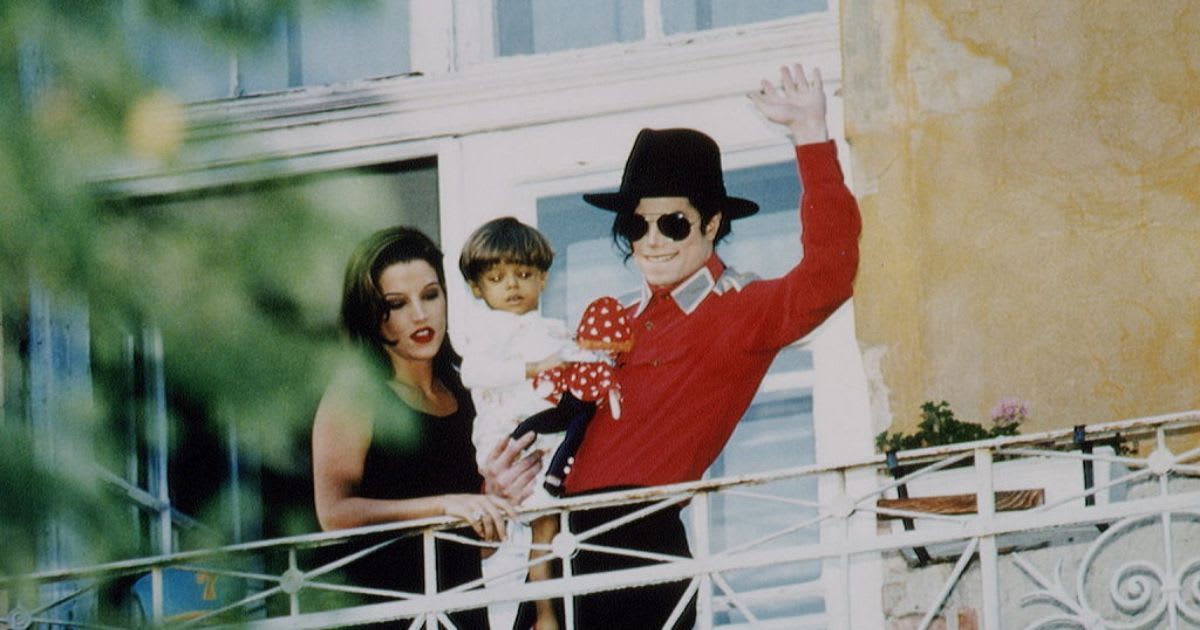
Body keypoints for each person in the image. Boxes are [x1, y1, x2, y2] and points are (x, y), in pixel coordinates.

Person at [484, 63, 862, 628]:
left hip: (637, 541)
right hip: (556, 552)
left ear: (711, 224)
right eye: (638, 226)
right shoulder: (617, 319)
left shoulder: (739, 309)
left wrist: (811, 136)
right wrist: (502, 477)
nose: (653, 241)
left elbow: (831, 274)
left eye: (674, 224)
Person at [311, 226, 520, 628]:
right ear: (370, 314)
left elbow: (476, 546)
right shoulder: (357, 391)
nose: (420, 315)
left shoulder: (469, 389)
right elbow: (333, 512)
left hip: (459, 610)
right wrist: (444, 505)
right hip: (383, 614)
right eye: (396, 303)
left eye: (430, 295)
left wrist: (489, 506)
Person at [457, 217, 629, 630]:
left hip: (546, 436)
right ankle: (544, 613)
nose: (512, 286)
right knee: (537, 521)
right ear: (479, 289)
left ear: (544, 279)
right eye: (497, 278)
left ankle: (543, 610)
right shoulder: (489, 330)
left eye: (524, 275)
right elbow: (473, 373)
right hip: (512, 437)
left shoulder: (548, 328)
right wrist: (537, 366)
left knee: (548, 522)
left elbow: (578, 368)